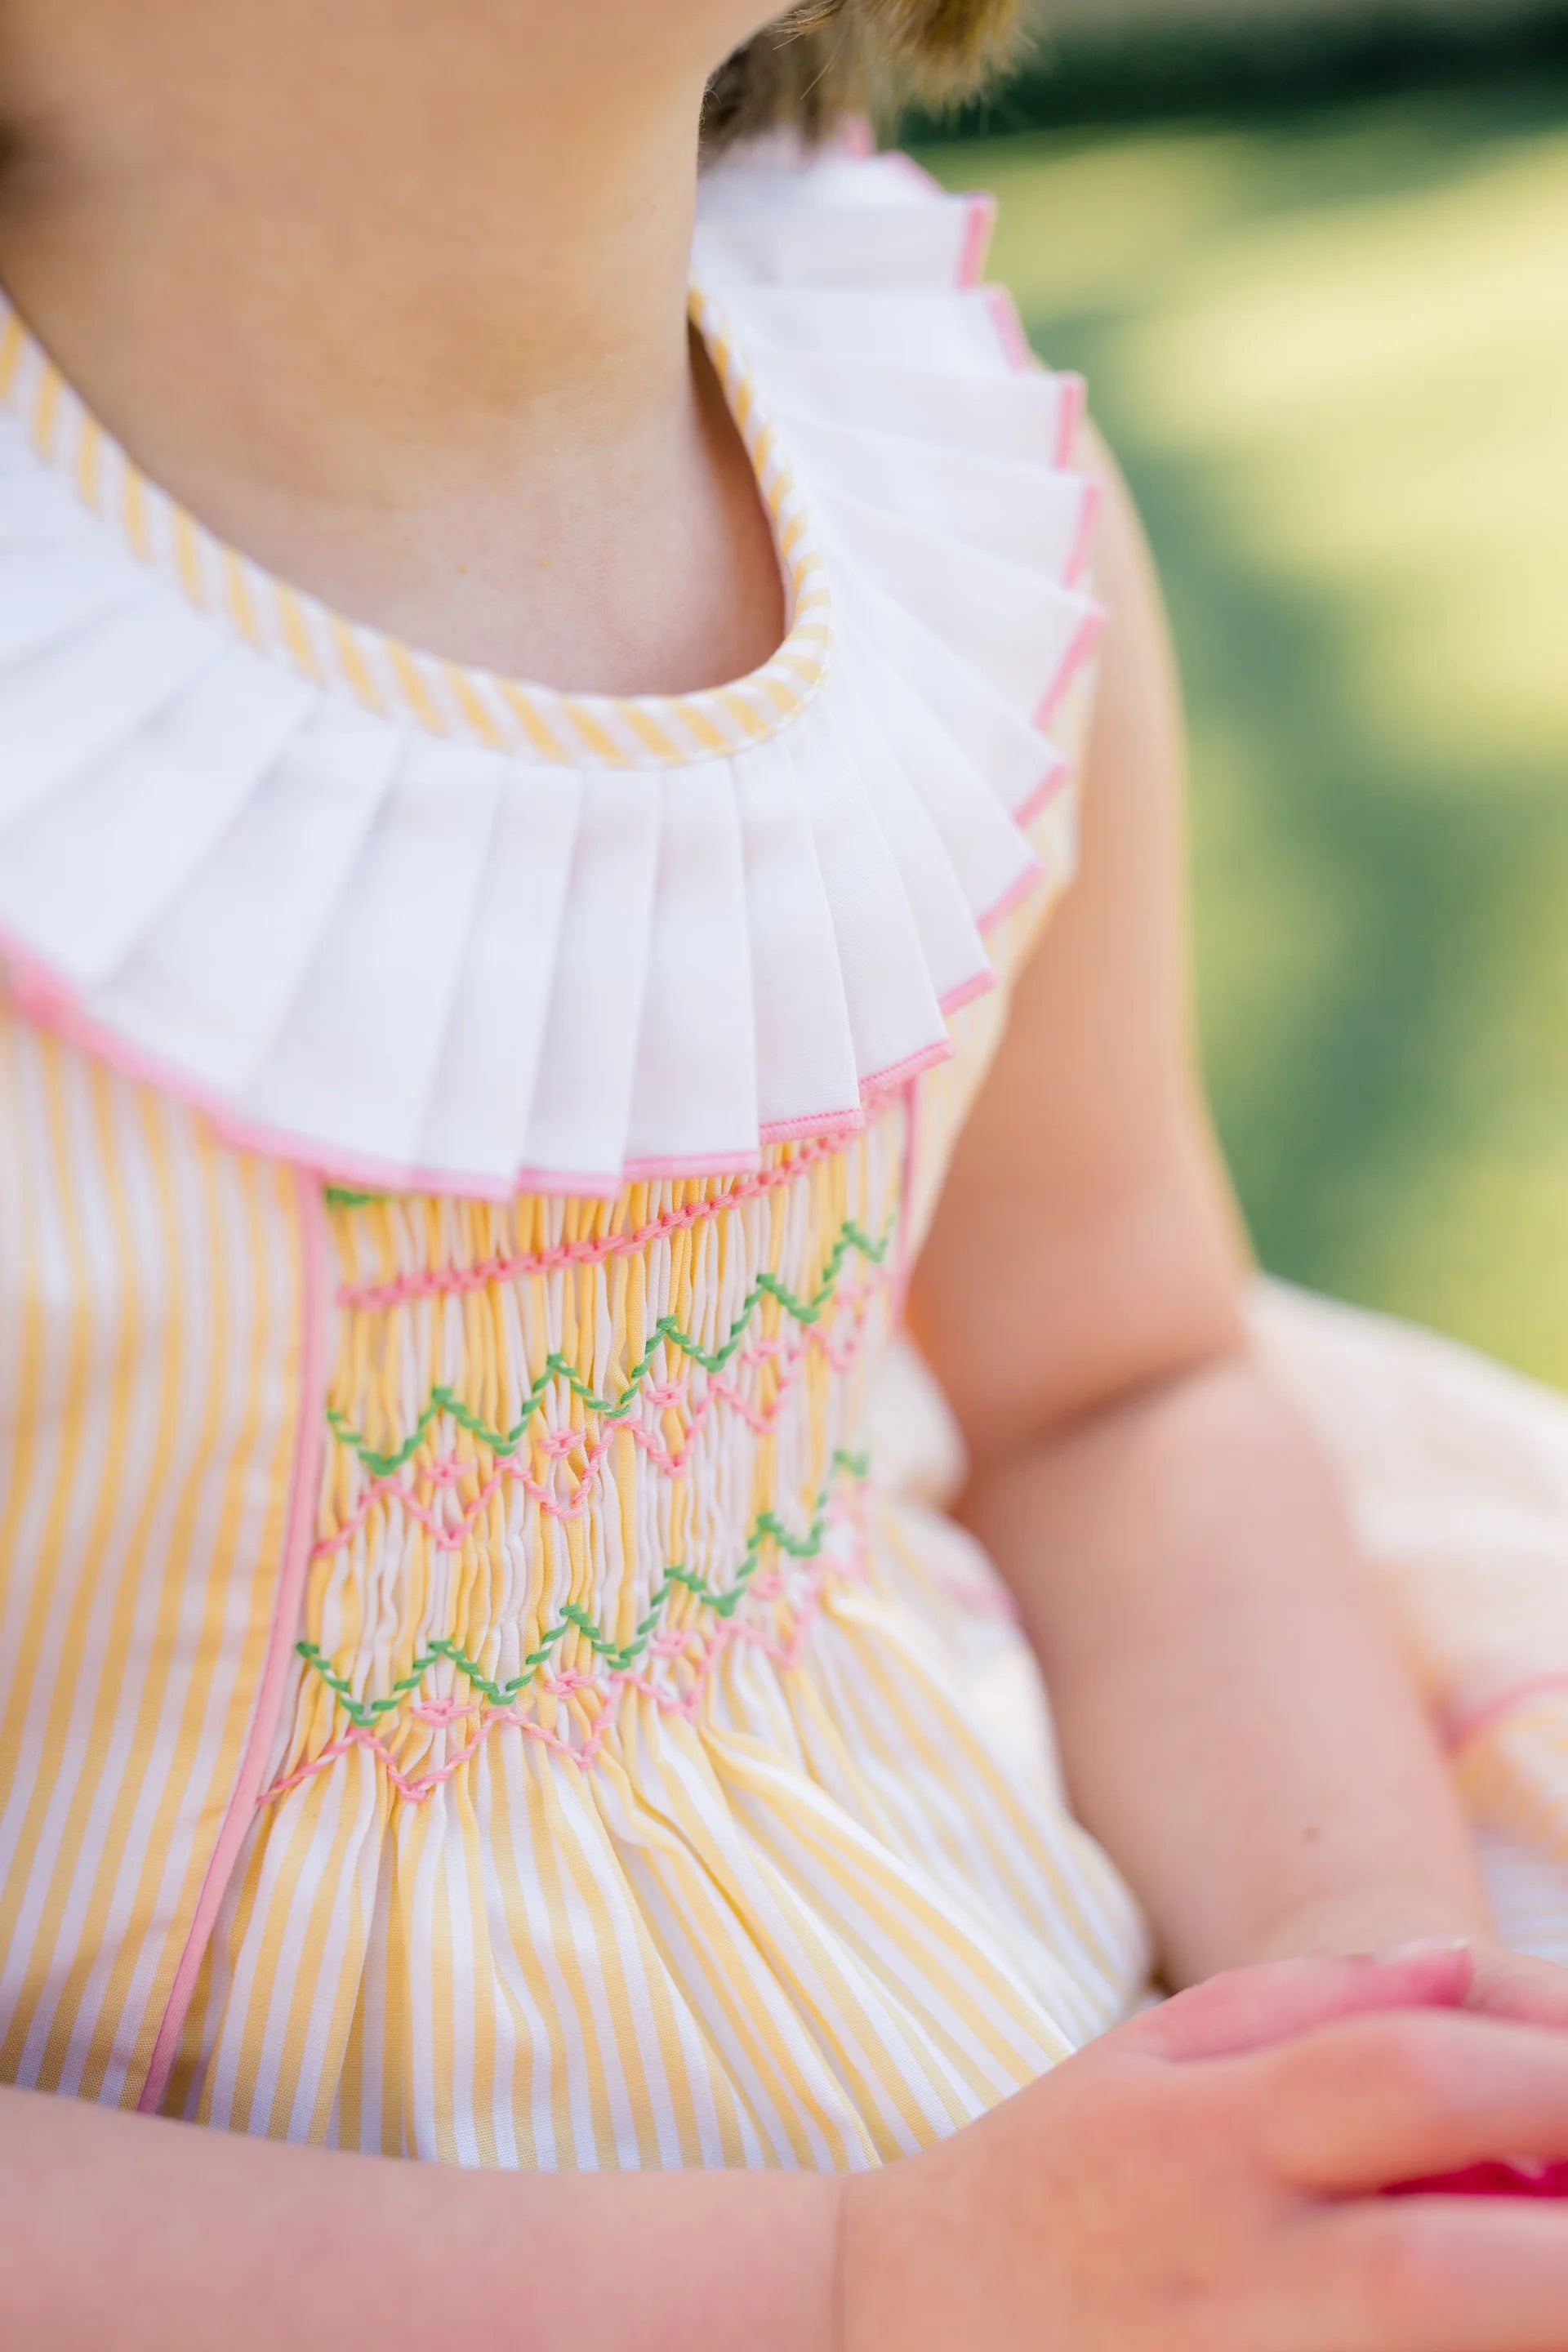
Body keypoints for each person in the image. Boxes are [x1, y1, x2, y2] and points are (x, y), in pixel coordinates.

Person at [5, 2, 1568, 2344]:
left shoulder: (922, 462)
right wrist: (861, 2278)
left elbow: (1113, 1393)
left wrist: (1345, 2035)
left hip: (1046, 2040)